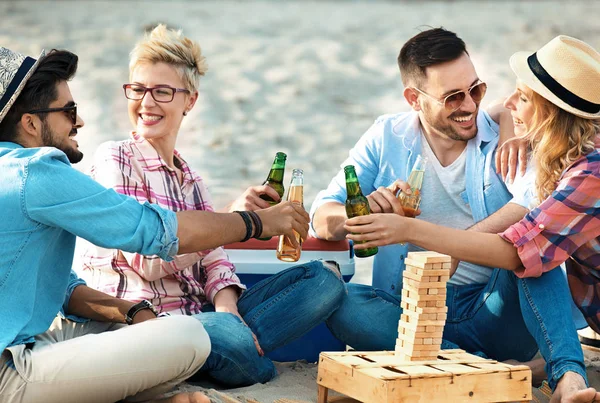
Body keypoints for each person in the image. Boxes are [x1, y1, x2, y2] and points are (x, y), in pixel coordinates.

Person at [0, 46, 309, 403]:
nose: (79, 122)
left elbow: (64, 287)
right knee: (191, 337)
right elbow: (151, 232)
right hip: (9, 371)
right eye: (69, 111)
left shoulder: (13, 174)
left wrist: (136, 312)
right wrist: (255, 222)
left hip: (28, 340)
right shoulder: (35, 172)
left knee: (314, 281)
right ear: (31, 123)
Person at [310, 28, 590, 398]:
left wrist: (450, 246)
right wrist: (359, 215)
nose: (470, 105)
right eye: (453, 97)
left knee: (536, 256)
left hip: (493, 306)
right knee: (344, 305)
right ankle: (482, 368)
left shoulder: (511, 141)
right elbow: (322, 215)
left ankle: (566, 374)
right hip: (411, 309)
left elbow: (529, 208)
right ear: (414, 99)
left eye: (476, 90)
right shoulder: (386, 137)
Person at [77, 25, 346, 388]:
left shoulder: (191, 177)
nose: (146, 102)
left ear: (190, 101)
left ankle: (225, 353)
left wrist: (228, 309)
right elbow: (149, 261)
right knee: (226, 338)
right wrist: (235, 221)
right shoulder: (116, 159)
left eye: (162, 91)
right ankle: (241, 360)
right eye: (138, 89)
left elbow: (216, 261)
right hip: (144, 327)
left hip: (199, 319)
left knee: (324, 278)